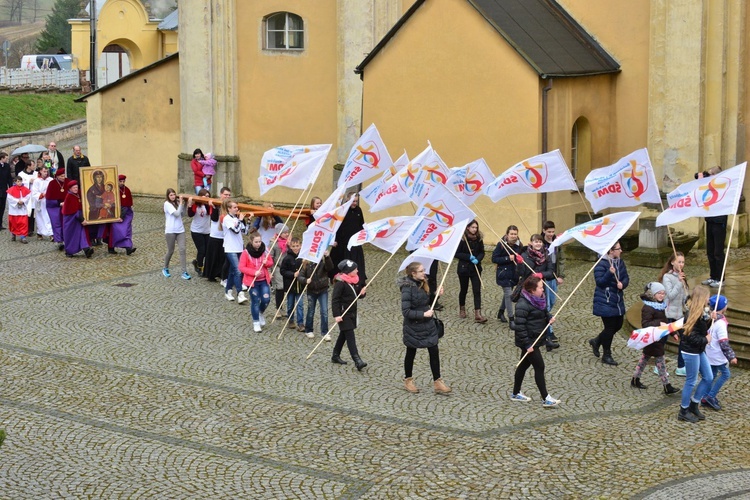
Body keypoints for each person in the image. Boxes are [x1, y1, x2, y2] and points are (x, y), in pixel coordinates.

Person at [398, 262, 451, 395]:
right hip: (414, 326)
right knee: (411, 351)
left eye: (423, 270)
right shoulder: (407, 288)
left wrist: (437, 294)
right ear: (413, 273)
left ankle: (437, 381)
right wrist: (423, 314)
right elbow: (406, 311)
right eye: (421, 271)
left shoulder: (423, 283)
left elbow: (427, 300)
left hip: (428, 325)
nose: (424, 273)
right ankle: (408, 380)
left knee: (434, 350)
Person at [510, 275, 560, 407]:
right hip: (529, 341)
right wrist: (527, 344)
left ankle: (515, 393)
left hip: (535, 338)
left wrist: (549, 317)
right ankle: (546, 398)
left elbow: (544, 312)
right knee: (539, 366)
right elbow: (519, 326)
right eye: (540, 287)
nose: (543, 290)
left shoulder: (539, 299)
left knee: (523, 365)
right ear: (532, 290)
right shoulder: (522, 304)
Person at [630, 282, 679, 395]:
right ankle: (667, 386)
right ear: (653, 294)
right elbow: (645, 324)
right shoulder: (648, 307)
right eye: (659, 293)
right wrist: (659, 323)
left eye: (663, 293)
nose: (662, 295)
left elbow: (665, 322)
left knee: (645, 359)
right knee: (660, 361)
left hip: (658, 338)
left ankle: (635, 379)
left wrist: (673, 332)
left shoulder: (660, 305)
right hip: (653, 339)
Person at [677, 285, 714, 423]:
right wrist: (706, 340)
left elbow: (702, 329)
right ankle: (683, 410)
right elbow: (689, 337)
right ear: (702, 298)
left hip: (698, 350)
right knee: (691, 381)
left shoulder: (703, 313)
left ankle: (694, 403)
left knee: (708, 377)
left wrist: (710, 319)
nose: (709, 299)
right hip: (690, 351)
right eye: (707, 297)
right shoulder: (692, 314)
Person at [588, 241, 629, 366]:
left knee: (618, 325)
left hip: (617, 300)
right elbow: (600, 282)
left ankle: (597, 341)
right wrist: (609, 273)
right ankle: (607, 354)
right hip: (605, 300)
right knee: (610, 327)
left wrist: (623, 284)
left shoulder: (620, 262)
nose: (620, 251)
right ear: (611, 251)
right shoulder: (601, 264)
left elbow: (626, 277)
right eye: (618, 249)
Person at [516, 234, 558, 351]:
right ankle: (532, 338)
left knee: (543, 311)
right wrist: (519, 263)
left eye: (540, 241)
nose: (538, 243)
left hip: (540, 288)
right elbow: (520, 273)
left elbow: (551, 272)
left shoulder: (546, 255)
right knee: (531, 314)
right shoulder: (525, 255)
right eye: (536, 241)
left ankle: (546, 337)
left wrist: (542, 274)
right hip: (529, 289)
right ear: (531, 243)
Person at [331, 259, 367, 371]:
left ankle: (335, 355)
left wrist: (361, 294)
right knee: (350, 336)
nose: (357, 270)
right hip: (343, 313)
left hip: (351, 313)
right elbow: (335, 300)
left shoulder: (354, 281)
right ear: (348, 271)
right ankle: (357, 360)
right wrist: (336, 315)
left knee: (343, 334)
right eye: (355, 269)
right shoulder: (340, 283)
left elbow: (355, 296)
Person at [701, 294, 737, 411]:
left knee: (712, 375)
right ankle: (710, 396)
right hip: (717, 354)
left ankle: (704, 396)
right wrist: (731, 357)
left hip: (711, 353)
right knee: (726, 374)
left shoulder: (713, 319)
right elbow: (724, 343)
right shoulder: (720, 324)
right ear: (723, 307)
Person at [660, 252, 689, 376]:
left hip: (679, 315)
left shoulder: (682, 277)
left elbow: (684, 298)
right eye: (679, 262)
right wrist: (678, 282)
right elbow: (670, 295)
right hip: (668, 314)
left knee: (685, 339)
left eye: (682, 262)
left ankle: (681, 366)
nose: (681, 264)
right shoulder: (667, 277)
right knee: (663, 340)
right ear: (672, 262)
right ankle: (659, 365)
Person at [697, 166, 726, 288]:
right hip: (710, 221)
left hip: (719, 222)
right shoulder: (710, 186)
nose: (709, 176)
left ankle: (720, 278)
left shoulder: (723, 187)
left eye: (711, 174)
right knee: (710, 251)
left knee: (718, 252)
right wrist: (704, 175)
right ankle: (713, 276)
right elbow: (696, 178)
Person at [238, 233, 274, 332]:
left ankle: (260, 312)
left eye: (259, 241)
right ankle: (256, 322)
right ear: (251, 242)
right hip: (252, 282)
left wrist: (267, 263)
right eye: (256, 242)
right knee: (255, 301)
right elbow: (241, 267)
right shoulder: (245, 253)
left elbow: (271, 263)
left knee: (266, 299)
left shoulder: (265, 250)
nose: (258, 244)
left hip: (263, 280)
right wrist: (254, 272)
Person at [454, 219, 487, 323]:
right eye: (473, 227)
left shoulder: (479, 239)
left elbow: (482, 252)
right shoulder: (462, 239)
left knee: (476, 290)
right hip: (464, 268)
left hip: (475, 268)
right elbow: (457, 253)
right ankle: (462, 308)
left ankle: (478, 313)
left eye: (476, 227)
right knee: (464, 289)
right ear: (468, 228)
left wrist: (478, 259)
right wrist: (469, 257)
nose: (474, 229)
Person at [330, 193, 367, 286]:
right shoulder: (342, 210)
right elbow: (335, 226)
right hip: (343, 242)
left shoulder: (359, 210)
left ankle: (358, 278)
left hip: (355, 242)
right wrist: (334, 240)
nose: (355, 203)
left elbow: (361, 224)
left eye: (356, 201)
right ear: (347, 200)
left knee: (356, 261)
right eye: (353, 201)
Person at [298, 250, 334, 340]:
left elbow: (330, 267)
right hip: (311, 291)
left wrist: (327, 257)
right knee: (311, 311)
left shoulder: (322, 263)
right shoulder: (306, 264)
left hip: (323, 290)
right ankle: (309, 330)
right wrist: (305, 280)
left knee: (324, 311)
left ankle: (325, 332)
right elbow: (300, 276)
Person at [492, 225, 523, 323]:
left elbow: (521, 258)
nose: (513, 236)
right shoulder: (501, 245)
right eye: (511, 234)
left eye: (515, 234)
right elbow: (494, 258)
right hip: (503, 273)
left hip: (514, 274)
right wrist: (507, 258)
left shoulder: (519, 245)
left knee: (507, 295)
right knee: (509, 295)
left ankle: (500, 312)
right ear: (507, 234)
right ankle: (511, 319)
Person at [222, 199, 251, 303]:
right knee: (238, 270)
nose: (236, 209)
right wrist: (239, 220)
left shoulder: (236, 219)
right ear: (229, 209)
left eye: (237, 207)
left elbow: (245, 231)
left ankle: (228, 291)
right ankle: (240, 294)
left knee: (232, 271)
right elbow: (235, 230)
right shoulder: (227, 219)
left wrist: (247, 221)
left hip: (239, 248)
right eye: (234, 207)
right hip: (230, 248)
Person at [542, 221, 564, 345]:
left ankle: (545, 326)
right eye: (549, 232)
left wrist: (561, 275)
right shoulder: (541, 242)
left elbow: (561, 259)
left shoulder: (557, 242)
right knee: (547, 305)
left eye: (552, 232)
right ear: (544, 231)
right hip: (545, 278)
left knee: (552, 302)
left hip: (554, 277)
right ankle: (548, 331)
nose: (551, 234)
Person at [203, 186, 232, 282]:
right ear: (221, 194)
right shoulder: (216, 203)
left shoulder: (230, 206)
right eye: (225, 195)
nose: (227, 196)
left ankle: (222, 274)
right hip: (215, 235)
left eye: (229, 195)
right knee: (214, 257)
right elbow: (214, 218)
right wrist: (213, 207)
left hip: (225, 236)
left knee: (223, 258)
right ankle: (211, 274)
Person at [163, 188, 190, 280]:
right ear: (168, 196)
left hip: (180, 230)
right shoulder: (167, 204)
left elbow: (182, 214)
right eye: (171, 195)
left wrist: (185, 204)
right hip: (170, 231)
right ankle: (165, 267)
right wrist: (181, 203)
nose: (173, 196)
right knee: (171, 250)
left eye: (174, 194)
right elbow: (177, 214)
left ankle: (184, 271)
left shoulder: (177, 203)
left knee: (182, 250)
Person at [61, 181, 93, 258]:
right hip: (71, 220)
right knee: (72, 236)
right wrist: (82, 220)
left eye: (76, 187)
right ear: (70, 188)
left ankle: (86, 250)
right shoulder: (70, 196)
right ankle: (69, 251)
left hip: (78, 219)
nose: (76, 189)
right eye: (74, 188)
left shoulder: (76, 195)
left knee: (82, 234)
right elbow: (74, 211)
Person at [281, 237, 305, 332]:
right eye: (293, 246)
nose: (295, 248)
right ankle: (291, 320)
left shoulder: (302, 258)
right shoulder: (287, 258)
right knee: (290, 304)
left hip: (300, 285)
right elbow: (282, 271)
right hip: (290, 285)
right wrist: (292, 274)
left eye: (297, 246)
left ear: (300, 246)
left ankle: (300, 323)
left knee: (300, 305)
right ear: (290, 246)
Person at [108, 174, 136, 255]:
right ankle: (111, 247)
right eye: (120, 181)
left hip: (126, 214)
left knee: (126, 231)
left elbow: (128, 204)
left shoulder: (126, 190)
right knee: (115, 231)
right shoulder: (113, 190)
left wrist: (123, 215)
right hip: (116, 214)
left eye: (123, 181)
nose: (122, 183)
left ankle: (128, 248)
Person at [188, 188, 211, 274]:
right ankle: (200, 267)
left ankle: (197, 262)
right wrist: (190, 205)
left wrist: (209, 204)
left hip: (207, 231)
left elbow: (210, 213)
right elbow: (190, 214)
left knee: (206, 251)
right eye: (205, 197)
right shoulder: (196, 206)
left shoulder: (208, 206)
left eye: (208, 196)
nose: (206, 198)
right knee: (202, 250)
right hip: (196, 231)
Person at [270, 223, 290, 318]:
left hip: (286, 268)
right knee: (280, 288)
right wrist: (270, 271)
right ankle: (278, 309)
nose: (287, 234)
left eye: (287, 232)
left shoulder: (288, 242)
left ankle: (282, 308)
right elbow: (270, 257)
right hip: (277, 268)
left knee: (286, 288)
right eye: (284, 233)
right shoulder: (273, 243)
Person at [45, 167, 66, 248]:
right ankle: (59, 240)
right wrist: (58, 203)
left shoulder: (67, 182)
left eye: (64, 176)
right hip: (55, 207)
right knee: (56, 223)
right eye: (61, 176)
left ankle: (66, 239)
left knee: (65, 223)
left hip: (66, 206)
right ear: (57, 176)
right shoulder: (52, 183)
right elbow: (49, 197)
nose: (63, 178)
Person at [30, 166, 53, 240]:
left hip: (48, 201)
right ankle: (39, 232)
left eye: (47, 171)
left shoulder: (50, 180)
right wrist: (41, 195)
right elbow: (34, 192)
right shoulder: (37, 181)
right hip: (40, 201)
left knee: (48, 217)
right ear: (40, 171)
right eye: (44, 171)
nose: (46, 173)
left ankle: (51, 233)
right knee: (40, 218)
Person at [6, 176, 31, 243]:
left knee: (23, 223)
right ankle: (13, 234)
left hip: (22, 209)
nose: (19, 183)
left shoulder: (25, 189)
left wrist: (23, 201)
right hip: (14, 210)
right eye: (17, 181)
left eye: (20, 181)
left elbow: (28, 196)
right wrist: (17, 201)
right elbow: (10, 198)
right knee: (14, 223)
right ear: (15, 182)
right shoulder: (11, 189)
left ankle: (23, 236)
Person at [0, 152, 13, 231]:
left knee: (2, 207)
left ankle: (0, 224)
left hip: (4, 189)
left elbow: (9, 177)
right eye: (6, 158)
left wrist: (11, 187)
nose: (7, 159)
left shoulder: (7, 166)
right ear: (1, 158)